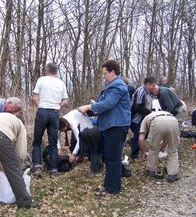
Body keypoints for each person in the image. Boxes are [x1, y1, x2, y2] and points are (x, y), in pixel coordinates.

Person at [78, 59, 131, 196]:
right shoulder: (113, 85)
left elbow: (108, 103)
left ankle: (113, 189)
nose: (103, 76)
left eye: (105, 73)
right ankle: (108, 186)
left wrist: (89, 107)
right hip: (111, 125)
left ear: (113, 72)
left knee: (113, 158)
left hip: (117, 126)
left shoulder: (117, 85)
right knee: (109, 157)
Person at [0, 112, 38, 208]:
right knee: (13, 169)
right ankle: (25, 203)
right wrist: (18, 164)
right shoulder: (20, 125)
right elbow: (22, 152)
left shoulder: (3, 117)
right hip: (0, 134)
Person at [32, 62, 69, 178]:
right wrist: (58, 106)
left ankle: (37, 167)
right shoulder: (61, 83)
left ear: (46, 70)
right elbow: (65, 101)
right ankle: (53, 169)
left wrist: (40, 106)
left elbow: (34, 98)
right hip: (54, 113)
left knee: (37, 142)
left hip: (42, 111)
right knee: (53, 143)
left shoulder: (41, 80)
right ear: (56, 72)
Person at [58, 110, 103, 178]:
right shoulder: (60, 122)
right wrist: (59, 148)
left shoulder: (72, 123)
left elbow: (79, 141)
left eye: (63, 129)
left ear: (66, 125)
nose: (62, 131)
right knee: (88, 147)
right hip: (85, 128)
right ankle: (92, 166)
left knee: (95, 147)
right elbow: (57, 137)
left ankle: (96, 167)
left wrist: (73, 154)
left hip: (89, 126)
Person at [138, 111, 180, 182]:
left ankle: (150, 170)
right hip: (174, 121)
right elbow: (166, 141)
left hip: (156, 122)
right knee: (173, 151)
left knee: (153, 149)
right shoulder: (165, 114)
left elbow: (141, 139)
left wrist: (143, 153)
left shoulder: (146, 119)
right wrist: (159, 150)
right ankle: (172, 175)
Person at [130, 76, 157, 161]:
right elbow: (138, 107)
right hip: (136, 118)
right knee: (138, 136)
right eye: (153, 85)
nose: (154, 87)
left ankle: (132, 142)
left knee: (146, 134)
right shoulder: (141, 92)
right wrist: (150, 113)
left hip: (144, 117)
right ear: (148, 84)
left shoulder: (148, 92)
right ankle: (134, 156)